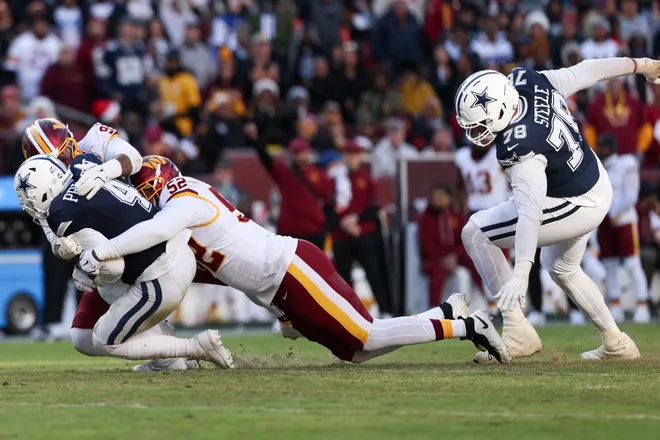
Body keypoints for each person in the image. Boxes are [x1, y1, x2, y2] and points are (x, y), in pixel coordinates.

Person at [76, 155, 508, 364]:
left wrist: (105, 252)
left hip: (290, 269)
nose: (150, 202)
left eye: (152, 194)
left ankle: (467, 325)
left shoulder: (186, 200)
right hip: (279, 283)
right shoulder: (180, 201)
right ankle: (447, 312)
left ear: (167, 183)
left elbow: (153, 231)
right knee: (355, 353)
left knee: (367, 336)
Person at [454, 56, 660, 362]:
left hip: (574, 201)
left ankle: (515, 328)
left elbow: (531, 212)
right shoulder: (527, 82)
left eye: (480, 125)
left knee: (475, 232)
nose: (476, 133)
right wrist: (640, 64)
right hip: (591, 180)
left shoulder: (520, 146)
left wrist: (521, 272)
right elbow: (587, 71)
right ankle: (616, 342)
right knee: (563, 269)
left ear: (499, 111)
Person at [14, 154, 233, 369]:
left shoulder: (62, 212)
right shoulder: (83, 164)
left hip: (160, 277)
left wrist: (82, 265)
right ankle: (168, 360)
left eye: (27, 199)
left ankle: (195, 347)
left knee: (105, 340)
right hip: (180, 250)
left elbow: (113, 269)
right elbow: (130, 160)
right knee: (107, 293)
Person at [20, 117, 194, 371]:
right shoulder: (49, 190)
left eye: (65, 154)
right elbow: (56, 238)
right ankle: (167, 350)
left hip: (153, 231)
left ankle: (183, 347)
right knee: (82, 335)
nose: (65, 163)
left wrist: (106, 170)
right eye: (56, 163)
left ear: (70, 141)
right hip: (111, 258)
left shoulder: (93, 140)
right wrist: (68, 254)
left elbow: (133, 158)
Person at [331, 139, 392, 317]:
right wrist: (343, 222)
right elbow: (328, 205)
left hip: (363, 233)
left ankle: (385, 309)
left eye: (355, 155)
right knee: (343, 276)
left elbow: (374, 209)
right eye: (349, 155)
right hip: (341, 235)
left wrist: (356, 218)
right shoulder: (336, 179)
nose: (352, 159)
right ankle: (347, 313)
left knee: (373, 273)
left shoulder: (366, 180)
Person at [595, 134, 651, 324]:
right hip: (604, 222)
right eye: (600, 146)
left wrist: (614, 214)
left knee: (631, 264)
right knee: (609, 265)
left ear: (612, 148)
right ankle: (616, 305)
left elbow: (632, 194)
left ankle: (642, 304)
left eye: (604, 146)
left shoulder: (625, 165)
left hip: (623, 220)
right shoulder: (597, 166)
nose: (601, 150)